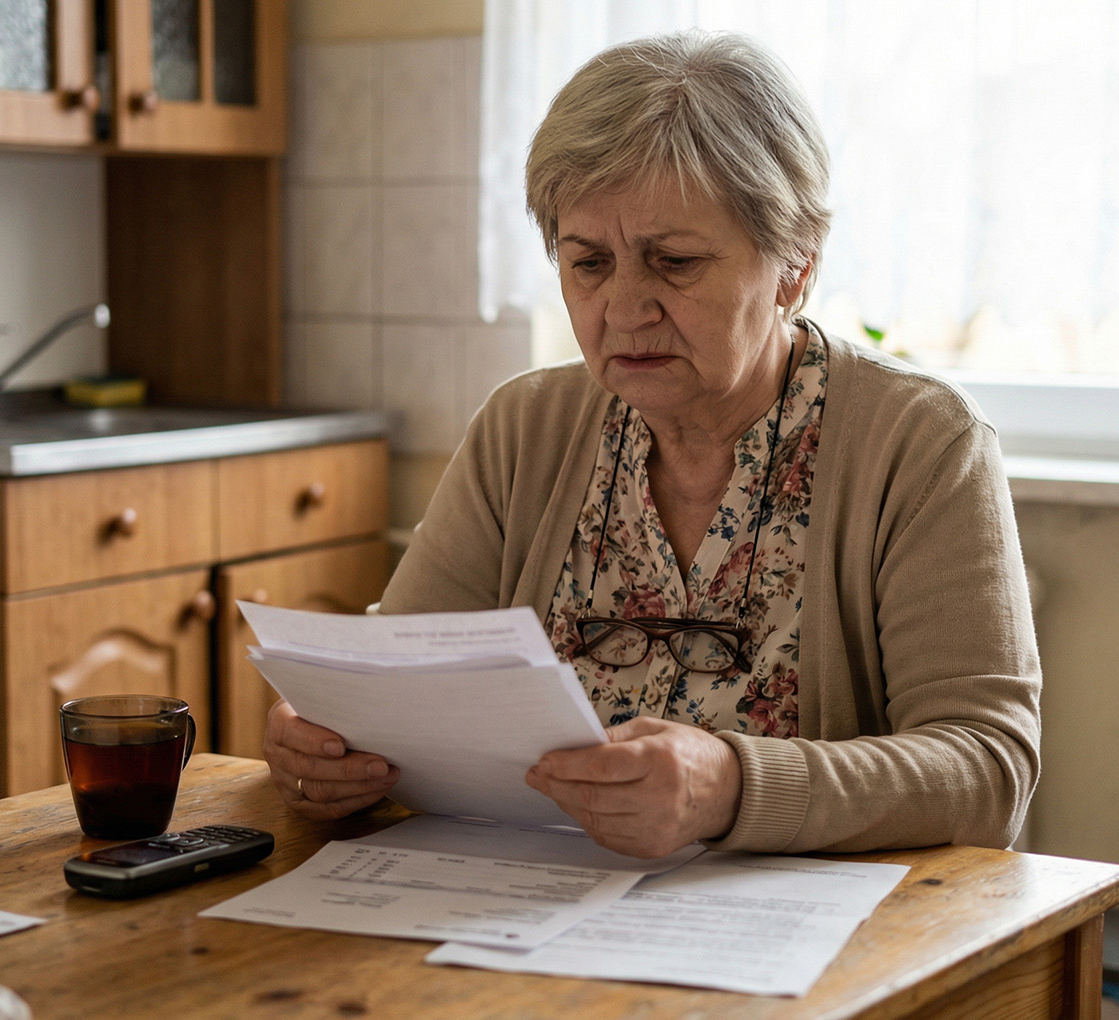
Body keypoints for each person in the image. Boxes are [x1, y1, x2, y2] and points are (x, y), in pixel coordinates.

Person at [263, 30, 1040, 859]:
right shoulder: (523, 430)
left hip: (809, 922)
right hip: (529, 900)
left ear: (795, 266)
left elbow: (987, 769)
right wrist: (323, 742)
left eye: (673, 261)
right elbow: (395, 688)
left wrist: (732, 788)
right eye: (588, 263)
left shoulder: (920, 443)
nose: (626, 308)